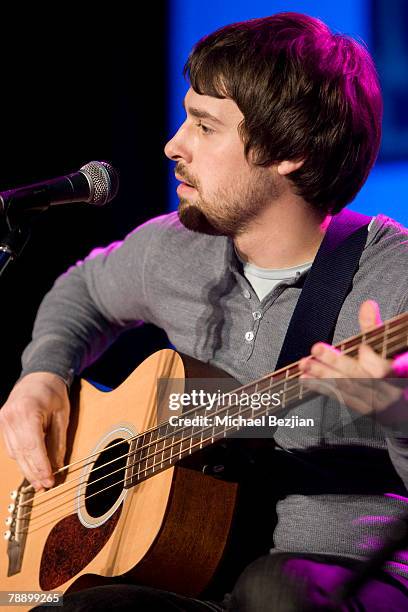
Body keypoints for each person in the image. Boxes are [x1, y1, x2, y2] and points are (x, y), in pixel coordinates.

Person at [1, 11, 408, 611]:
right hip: (187, 571)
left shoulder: (392, 281)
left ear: (289, 152)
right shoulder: (177, 248)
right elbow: (83, 290)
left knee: (275, 592)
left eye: (204, 126)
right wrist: (41, 377)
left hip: (337, 583)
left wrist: (400, 415)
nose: (173, 145)